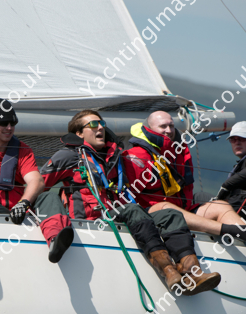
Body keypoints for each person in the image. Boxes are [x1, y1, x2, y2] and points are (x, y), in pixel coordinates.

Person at [41, 110, 220, 295]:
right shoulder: (68, 156)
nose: (100, 127)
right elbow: (39, 185)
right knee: (133, 210)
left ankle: (192, 272)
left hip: (119, 213)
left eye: (102, 123)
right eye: (93, 124)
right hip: (92, 221)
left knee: (171, 215)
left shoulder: (115, 156)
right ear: (79, 133)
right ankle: (169, 271)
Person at [124, 111, 246, 253]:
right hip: (154, 214)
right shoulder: (135, 156)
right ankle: (237, 232)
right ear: (150, 128)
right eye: (163, 126)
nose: (168, 130)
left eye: (171, 126)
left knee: (220, 206)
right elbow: (125, 195)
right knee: (168, 208)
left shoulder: (178, 151)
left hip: (182, 210)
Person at [0, 97, 74, 263]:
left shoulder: (23, 150)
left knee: (49, 197)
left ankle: (55, 240)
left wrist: (23, 203)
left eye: (13, 123)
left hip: (18, 214)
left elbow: (37, 181)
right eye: (4, 123)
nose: (10, 128)